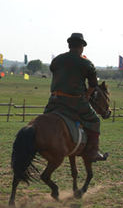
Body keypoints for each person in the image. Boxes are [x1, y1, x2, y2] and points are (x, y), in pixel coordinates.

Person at [44, 33, 107, 162]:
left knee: (45, 119)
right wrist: (87, 96)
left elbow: (54, 71)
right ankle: (93, 152)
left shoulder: (56, 60)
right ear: (82, 47)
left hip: (54, 101)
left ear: (69, 45)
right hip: (75, 102)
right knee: (95, 120)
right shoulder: (86, 63)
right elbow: (93, 85)